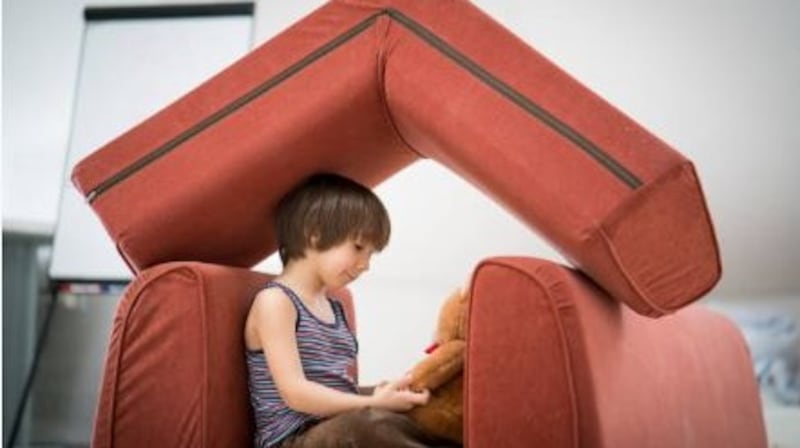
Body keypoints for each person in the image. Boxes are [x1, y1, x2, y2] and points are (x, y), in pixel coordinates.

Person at [244, 173, 457, 448]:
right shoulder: (276, 301)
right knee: (368, 425)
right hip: (291, 440)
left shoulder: (334, 306)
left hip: (333, 426)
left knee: (418, 414)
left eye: (371, 254)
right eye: (358, 247)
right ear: (314, 232)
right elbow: (295, 393)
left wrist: (384, 392)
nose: (365, 264)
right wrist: (371, 402)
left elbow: (337, 391)